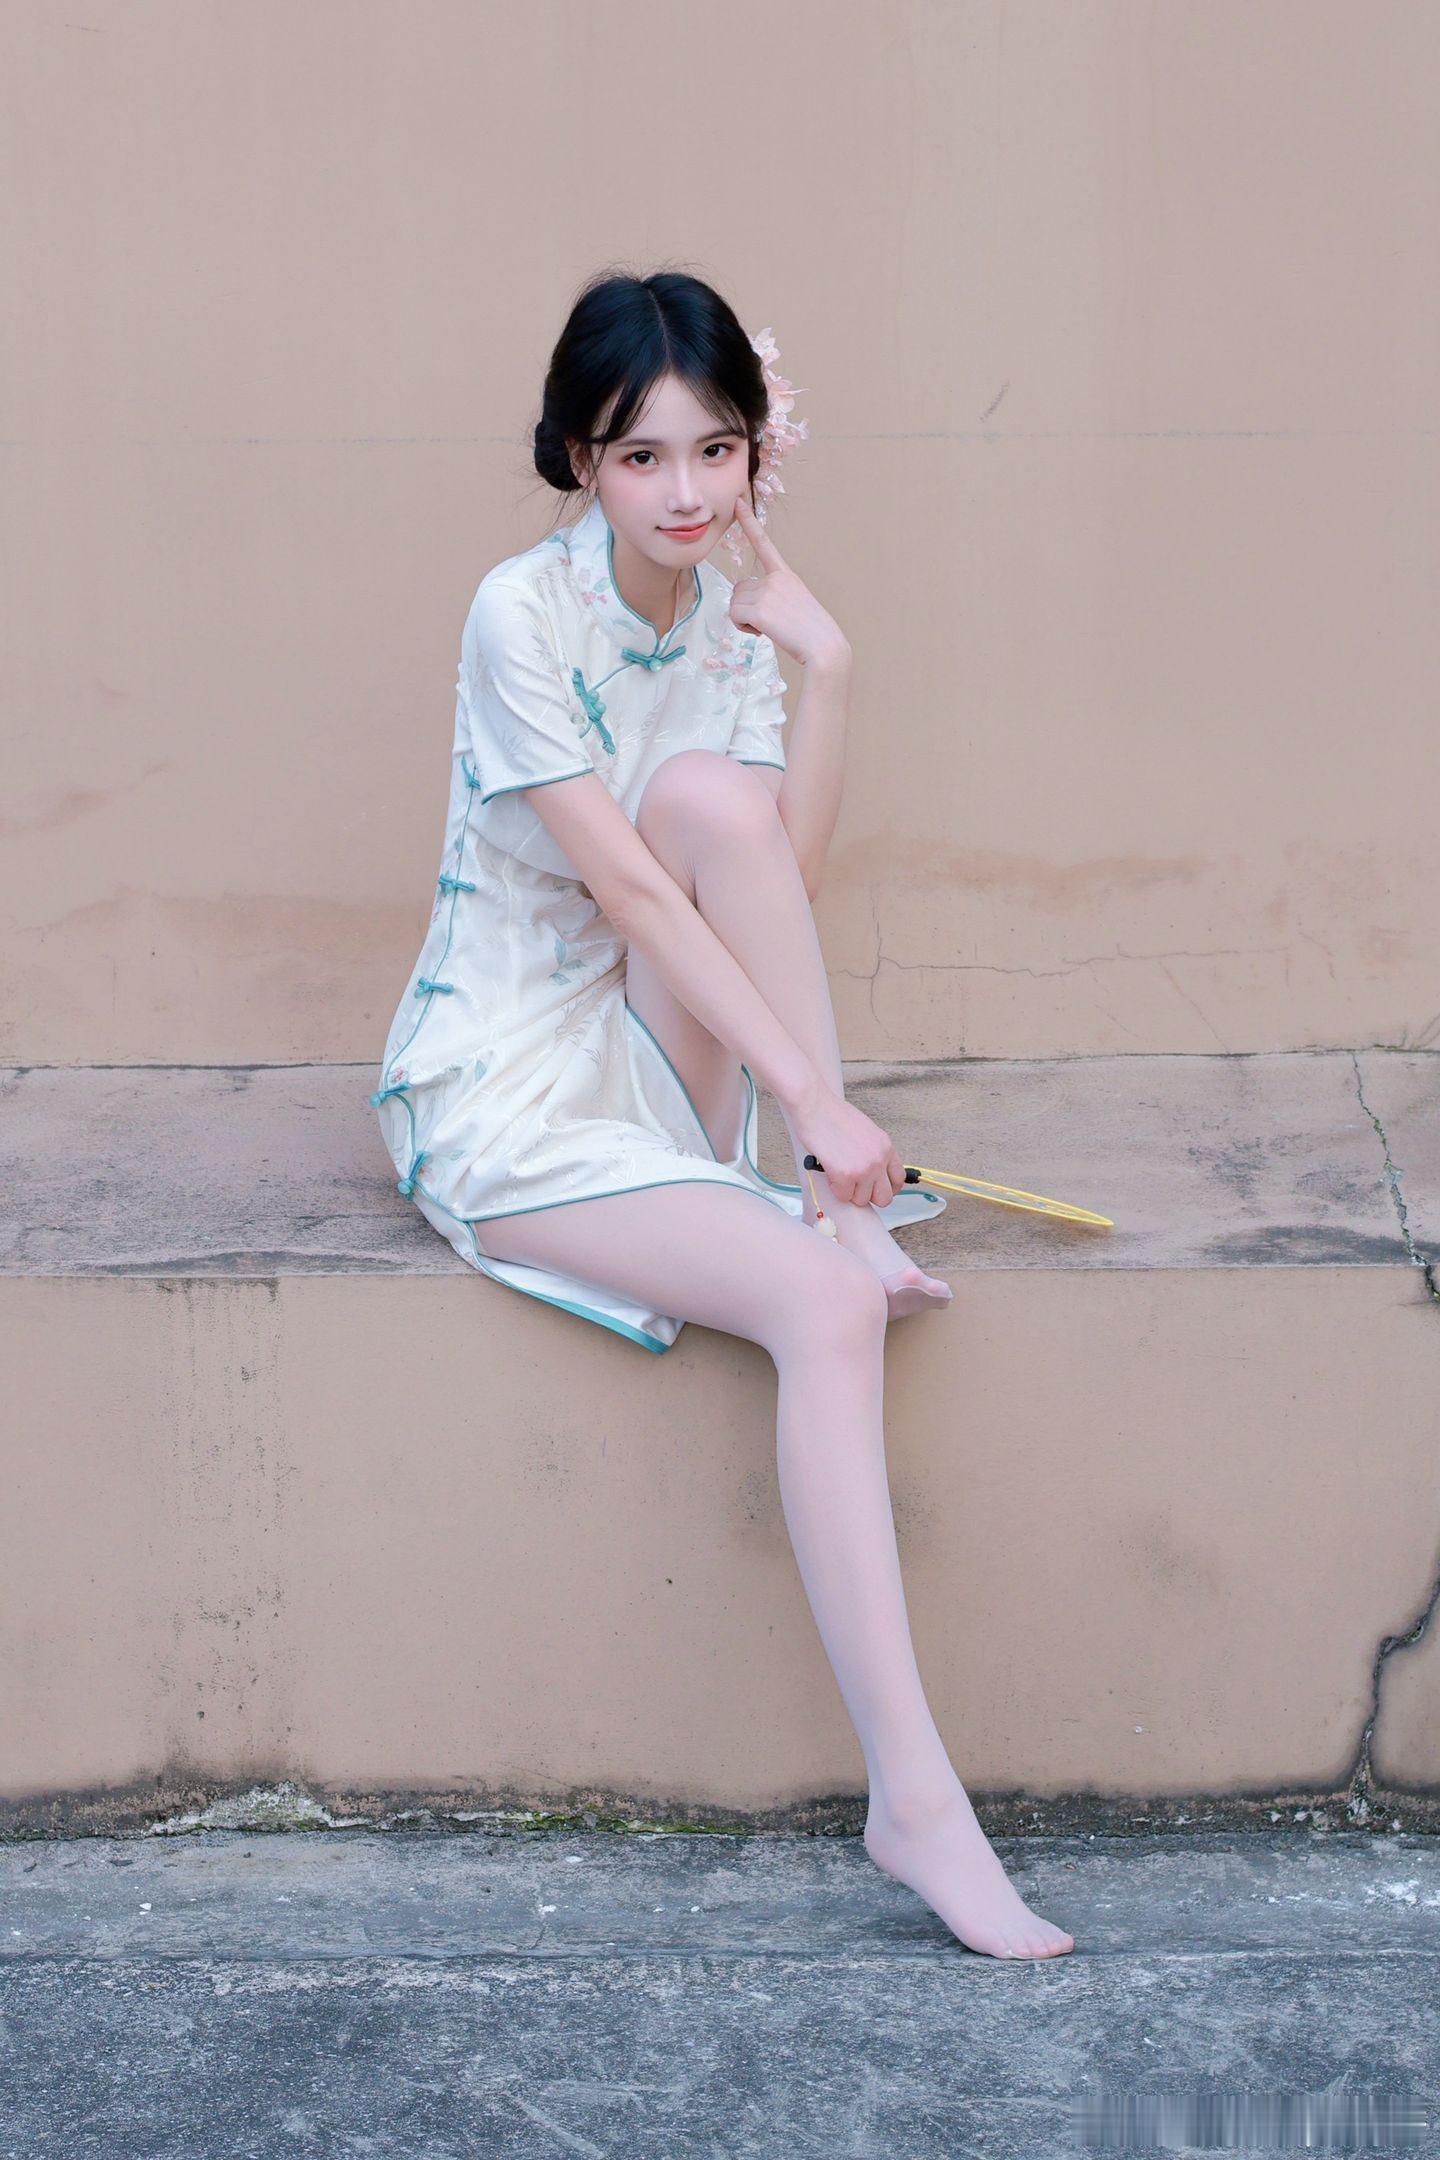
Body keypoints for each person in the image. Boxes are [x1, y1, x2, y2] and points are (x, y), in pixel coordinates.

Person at [372, 269, 1074, 1960]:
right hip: (509, 1086)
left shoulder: (721, 615)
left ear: (759, 456)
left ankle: (826, 1207)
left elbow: (767, 880)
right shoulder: (518, 615)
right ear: (578, 460)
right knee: (828, 1307)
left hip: (649, 1044)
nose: (684, 493)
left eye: (716, 451)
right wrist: (815, 1105)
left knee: (711, 792)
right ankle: (916, 1804)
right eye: (640, 457)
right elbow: (632, 892)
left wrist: (824, 666)